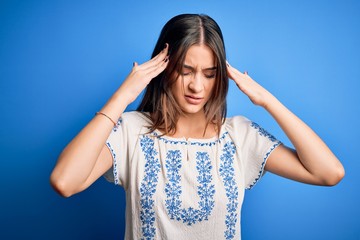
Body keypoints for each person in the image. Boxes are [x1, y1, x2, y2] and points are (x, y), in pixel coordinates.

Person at [50, 13, 345, 239]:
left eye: (209, 74)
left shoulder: (239, 136)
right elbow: (65, 182)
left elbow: (329, 173)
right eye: (185, 70)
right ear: (164, 69)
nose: (196, 86)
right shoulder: (132, 131)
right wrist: (122, 97)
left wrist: (267, 101)